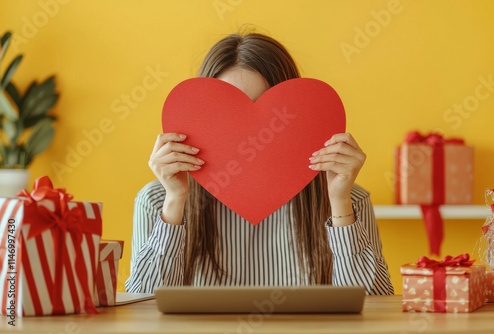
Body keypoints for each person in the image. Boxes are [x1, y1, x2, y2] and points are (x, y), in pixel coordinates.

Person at [125, 32, 394, 295]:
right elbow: (143, 306)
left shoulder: (349, 199)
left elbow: (373, 308)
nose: (249, 138)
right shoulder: (157, 200)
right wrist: (175, 202)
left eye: (269, 118)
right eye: (228, 115)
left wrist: (339, 203)